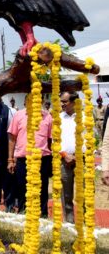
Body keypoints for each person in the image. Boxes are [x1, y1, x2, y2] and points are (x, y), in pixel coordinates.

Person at [7, 95, 53, 218]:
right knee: (22, 190)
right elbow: (12, 138)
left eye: (37, 99)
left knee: (42, 191)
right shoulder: (18, 115)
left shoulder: (47, 116)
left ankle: (43, 217)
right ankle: (22, 217)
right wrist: (10, 159)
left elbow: (50, 140)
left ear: (42, 101)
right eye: (30, 100)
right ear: (26, 102)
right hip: (23, 159)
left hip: (42, 159)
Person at [59, 91, 80, 223]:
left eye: (65, 102)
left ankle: (85, 227)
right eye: (61, 101)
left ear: (73, 102)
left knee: (85, 194)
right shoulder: (58, 118)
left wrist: (77, 156)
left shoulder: (84, 116)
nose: (62, 104)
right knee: (66, 195)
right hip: (64, 160)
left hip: (82, 161)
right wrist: (65, 155)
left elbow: (91, 139)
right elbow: (54, 140)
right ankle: (69, 224)